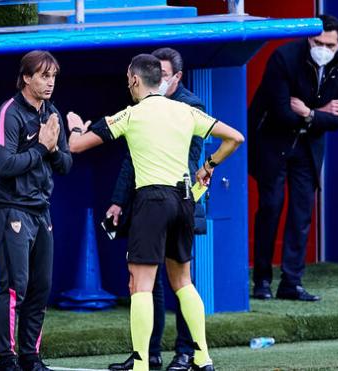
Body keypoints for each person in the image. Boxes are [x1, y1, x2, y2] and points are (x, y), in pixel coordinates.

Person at [67, 54, 243, 371]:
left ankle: (141, 364)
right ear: (160, 80)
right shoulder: (186, 111)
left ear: (135, 80)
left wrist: (75, 126)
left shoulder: (130, 115)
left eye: (128, 80)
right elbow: (235, 138)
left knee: (140, 283)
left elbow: (76, 146)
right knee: (184, 281)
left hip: (152, 200)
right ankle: (203, 358)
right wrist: (209, 166)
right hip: (184, 199)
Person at [106, 47, 205, 371]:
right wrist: (119, 201)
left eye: (162, 76)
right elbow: (131, 160)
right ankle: (147, 354)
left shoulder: (189, 107)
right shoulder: (141, 111)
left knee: (180, 280)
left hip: (179, 198)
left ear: (176, 77)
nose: (155, 81)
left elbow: (190, 161)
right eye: (153, 74)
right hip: (149, 199)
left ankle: (187, 353)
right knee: (149, 282)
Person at [249, 14, 338, 301]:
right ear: (309, 39)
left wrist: (308, 112)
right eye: (318, 42)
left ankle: (291, 282)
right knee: (270, 207)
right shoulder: (284, 57)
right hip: (273, 142)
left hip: (308, 147)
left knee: (301, 213)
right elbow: (281, 111)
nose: (323, 48)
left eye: (329, 44)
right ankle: (262, 281)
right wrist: (322, 112)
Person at [0, 50, 72, 371]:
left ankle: (30, 356)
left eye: (53, 77)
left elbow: (65, 164)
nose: (50, 83)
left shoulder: (52, 114)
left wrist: (50, 148)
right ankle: (7, 360)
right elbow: (5, 164)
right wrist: (41, 147)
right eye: (43, 76)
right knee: (14, 287)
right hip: (11, 208)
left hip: (41, 209)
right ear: (26, 77)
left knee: (41, 286)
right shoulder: (8, 114)